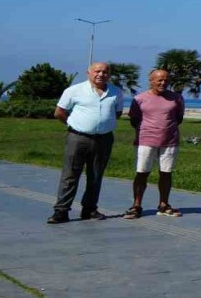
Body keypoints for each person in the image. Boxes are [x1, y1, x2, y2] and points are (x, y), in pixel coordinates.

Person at [48, 62, 124, 224]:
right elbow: (59, 112)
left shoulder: (116, 92)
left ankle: (89, 209)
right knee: (70, 175)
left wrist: (102, 124)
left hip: (103, 139)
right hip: (78, 138)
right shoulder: (74, 90)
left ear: (109, 75)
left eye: (105, 72)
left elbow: (117, 113)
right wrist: (73, 123)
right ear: (88, 73)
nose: (101, 74)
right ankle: (61, 211)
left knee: (96, 175)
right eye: (97, 71)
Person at [125, 68, 185, 219]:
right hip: (146, 141)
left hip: (170, 142)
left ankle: (164, 204)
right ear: (151, 81)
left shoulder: (177, 98)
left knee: (166, 173)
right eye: (159, 80)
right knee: (142, 173)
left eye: (166, 80)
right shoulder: (139, 99)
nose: (163, 83)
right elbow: (134, 120)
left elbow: (178, 118)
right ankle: (136, 205)